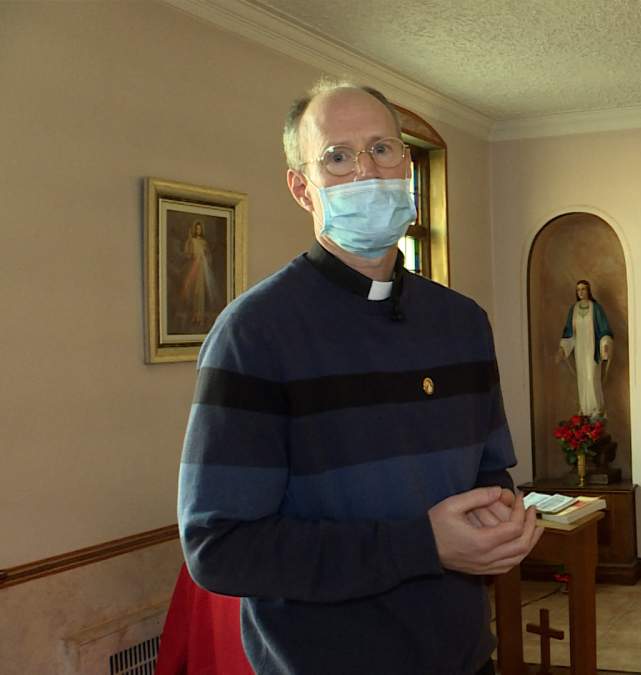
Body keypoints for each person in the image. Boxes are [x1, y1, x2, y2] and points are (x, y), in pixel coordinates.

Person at [177, 80, 541, 675]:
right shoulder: (256, 333)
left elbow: (486, 469)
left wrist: (501, 518)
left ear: (408, 166)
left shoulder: (461, 322)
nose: (367, 172)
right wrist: (421, 545)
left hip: (465, 657)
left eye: (382, 149)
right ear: (302, 187)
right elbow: (219, 549)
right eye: (338, 157)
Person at [557, 280, 613, 415]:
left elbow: (604, 329)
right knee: (582, 379)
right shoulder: (574, 309)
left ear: (588, 291)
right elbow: (569, 331)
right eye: (578, 290)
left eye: (583, 289)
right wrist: (563, 348)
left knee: (592, 377)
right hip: (579, 350)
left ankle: (597, 410)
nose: (581, 292)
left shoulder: (596, 308)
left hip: (593, 350)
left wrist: (605, 344)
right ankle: (585, 411)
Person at [179, 220, 218, 329]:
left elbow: (209, 257)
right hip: (193, 268)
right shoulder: (192, 241)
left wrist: (205, 257)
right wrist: (189, 243)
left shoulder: (204, 242)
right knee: (193, 292)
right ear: (194, 229)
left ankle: (200, 316)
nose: (198, 230)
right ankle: (194, 316)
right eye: (196, 228)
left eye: (200, 228)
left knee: (201, 292)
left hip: (202, 268)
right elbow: (188, 255)